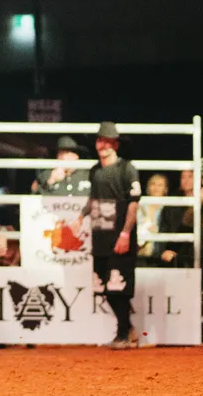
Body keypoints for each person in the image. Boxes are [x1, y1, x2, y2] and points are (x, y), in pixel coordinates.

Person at [71, 121, 140, 349]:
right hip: (100, 235)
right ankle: (126, 328)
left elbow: (133, 204)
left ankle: (123, 333)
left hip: (119, 234)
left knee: (117, 284)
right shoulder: (95, 170)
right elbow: (93, 198)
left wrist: (125, 233)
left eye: (107, 141)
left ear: (115, 144)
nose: (103, 144)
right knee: (103, 286)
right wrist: (81, 217)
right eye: (100, 140)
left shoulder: (126, 168)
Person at [136, 174, 169, 267]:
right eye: (153, 184)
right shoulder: (140, 205)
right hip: (140, 252)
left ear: (165, 189)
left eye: (160, 185)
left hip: (161, 253)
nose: (156, 188)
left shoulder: (170, 207)